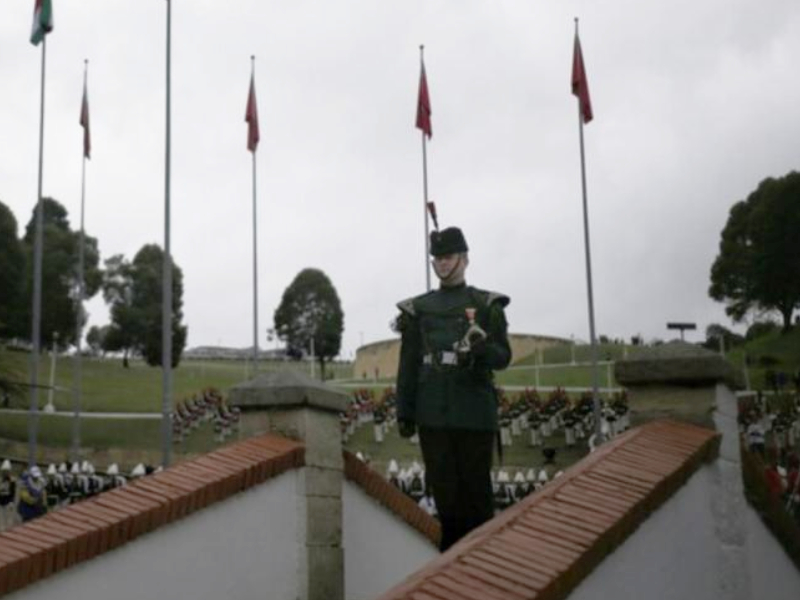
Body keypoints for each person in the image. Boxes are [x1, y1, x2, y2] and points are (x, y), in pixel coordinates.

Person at [395, 227, 511, 551]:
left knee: (477, 500)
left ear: (465, 258)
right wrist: (404, 410)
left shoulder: (486, 305)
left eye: (448, 257)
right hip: (432, 413)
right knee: (446, 501)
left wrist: (481, 350)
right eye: (437, 258)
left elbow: (503, 357)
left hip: (474, 413)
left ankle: (478, 569)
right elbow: (408, 364)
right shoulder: (419, 308)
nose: (442, 264)